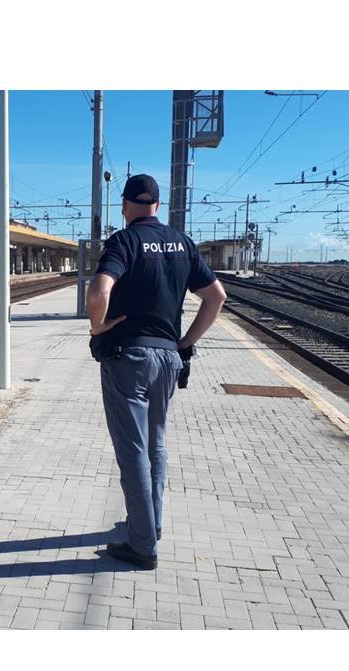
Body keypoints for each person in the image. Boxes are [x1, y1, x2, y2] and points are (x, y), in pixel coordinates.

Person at [86, 174, 227, 570]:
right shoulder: (182, 243)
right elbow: (216, 297)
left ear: (126, 205)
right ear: (158, 205)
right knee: (156, 444)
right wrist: (184, 342)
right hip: (168, 358)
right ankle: (151, 523)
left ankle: (143, 545)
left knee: (132, 450)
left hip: (128, 356)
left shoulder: (124, 240)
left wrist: (97, 327)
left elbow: (98, 292)